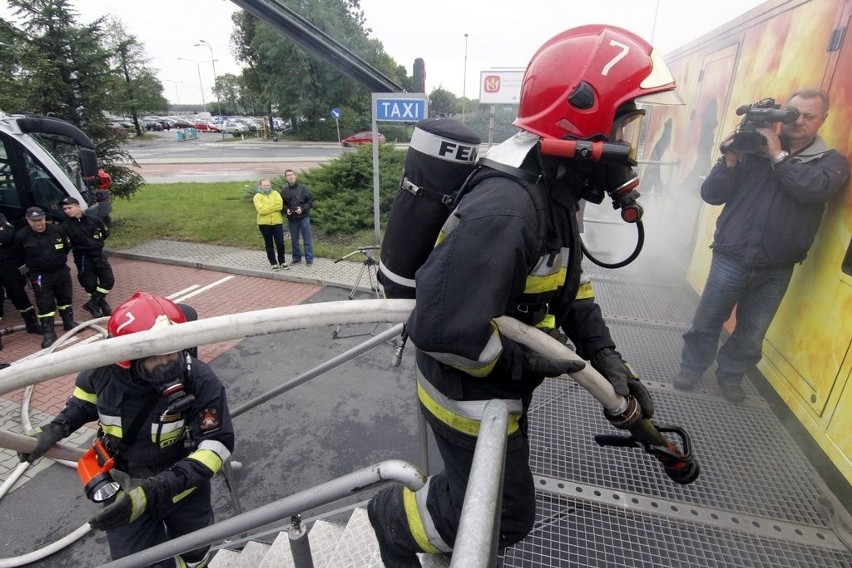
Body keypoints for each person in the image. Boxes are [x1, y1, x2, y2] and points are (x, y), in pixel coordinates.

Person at [367, 25, 672, 566]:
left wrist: (606, 359)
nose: (630, 144)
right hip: (466, 391)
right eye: (625, 123)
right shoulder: (509, 209)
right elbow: (440, 330)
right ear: (584, 121)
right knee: (505, 512)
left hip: (502, 380)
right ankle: (392, 519)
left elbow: (569, 280)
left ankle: (432, 510)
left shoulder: (552, 185)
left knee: (491, 501)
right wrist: (526, 359)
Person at [19, 291, 235, 567]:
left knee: (196, 548)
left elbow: (217, 445)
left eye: (173, 350)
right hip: (125, 486)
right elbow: (83, 405)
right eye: (154, 357)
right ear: (128, 357)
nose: (167, 362)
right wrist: (54, 430)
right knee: (133, 561)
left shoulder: (199, 379)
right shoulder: (101, 371)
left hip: (184, 485)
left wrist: (157, 489)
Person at [672, 88, 850, 403]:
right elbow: (712, 194)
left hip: (777, 265)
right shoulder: (750, 150)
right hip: (731, 256)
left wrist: (777, 155)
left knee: (752, 332)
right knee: (707, 320)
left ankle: (730, 377)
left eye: (809, 116)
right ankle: (691, 368)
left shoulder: (830, 162)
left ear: (823, 119)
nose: (799, 122)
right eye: (794, 114)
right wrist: (729, 160)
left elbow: (813, 190)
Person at [15, 206, 76, 348]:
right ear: (28, 221)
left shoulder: (57, 230)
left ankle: (68, 322)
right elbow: (18, 255)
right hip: (40, 275)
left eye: (40, 219)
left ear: (44, 218)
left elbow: (66, 247)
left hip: (61, 271)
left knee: (65, 298)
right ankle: (49, 332)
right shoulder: (22, 235)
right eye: (34, 221)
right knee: (45, 303)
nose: (38, 223)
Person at [59, 196, 115, 318]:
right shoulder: (64, 227)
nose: (68, 211)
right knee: (89, 285)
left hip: (98, 254)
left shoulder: (94, 220)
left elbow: (105, 233)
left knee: (108, 280)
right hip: (83, 258)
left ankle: (92, 303)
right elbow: (65, 245)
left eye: (70, 207)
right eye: (65, 209)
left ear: (78, 206)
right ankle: (102, 306)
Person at [0, 212, 43, 338]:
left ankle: (32, 324)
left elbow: (7, 234)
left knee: (17, 293)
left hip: (6, 264)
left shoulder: (0, 217)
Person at [280, 169, 314, 266]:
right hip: (292, 219)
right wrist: (286, 209)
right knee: (294, 240)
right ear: (286, 178)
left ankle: (309, 259)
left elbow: (310, 202)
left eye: (292, 175)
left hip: (303, 218)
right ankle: (296, 258)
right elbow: (282, 205)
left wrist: (302, 208)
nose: (290, 177)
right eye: (288, 175)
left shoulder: (303, 189)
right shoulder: (284, 191)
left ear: (295, 176)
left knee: (307, 240)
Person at [253, 178, 289, 270]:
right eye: (264, 185)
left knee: (280, 243)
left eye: (268, 185)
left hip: (277, 222)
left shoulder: (276, 193)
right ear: (260, 186)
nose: (266, 187)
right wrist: (273, 207)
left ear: (270, 185)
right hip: (264, 224)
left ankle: (282, 261)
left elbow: (280, 206)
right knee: (269, 244)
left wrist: (267, 208)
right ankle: (273, 263)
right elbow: (261, 211)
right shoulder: (257, 196)